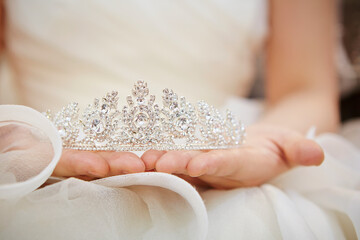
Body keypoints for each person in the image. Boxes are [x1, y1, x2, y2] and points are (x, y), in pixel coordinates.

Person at [0, 0, 359, 239]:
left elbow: (305, 88)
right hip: (38, 167)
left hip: (229, 178)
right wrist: (13, 135)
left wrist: (265, 139)